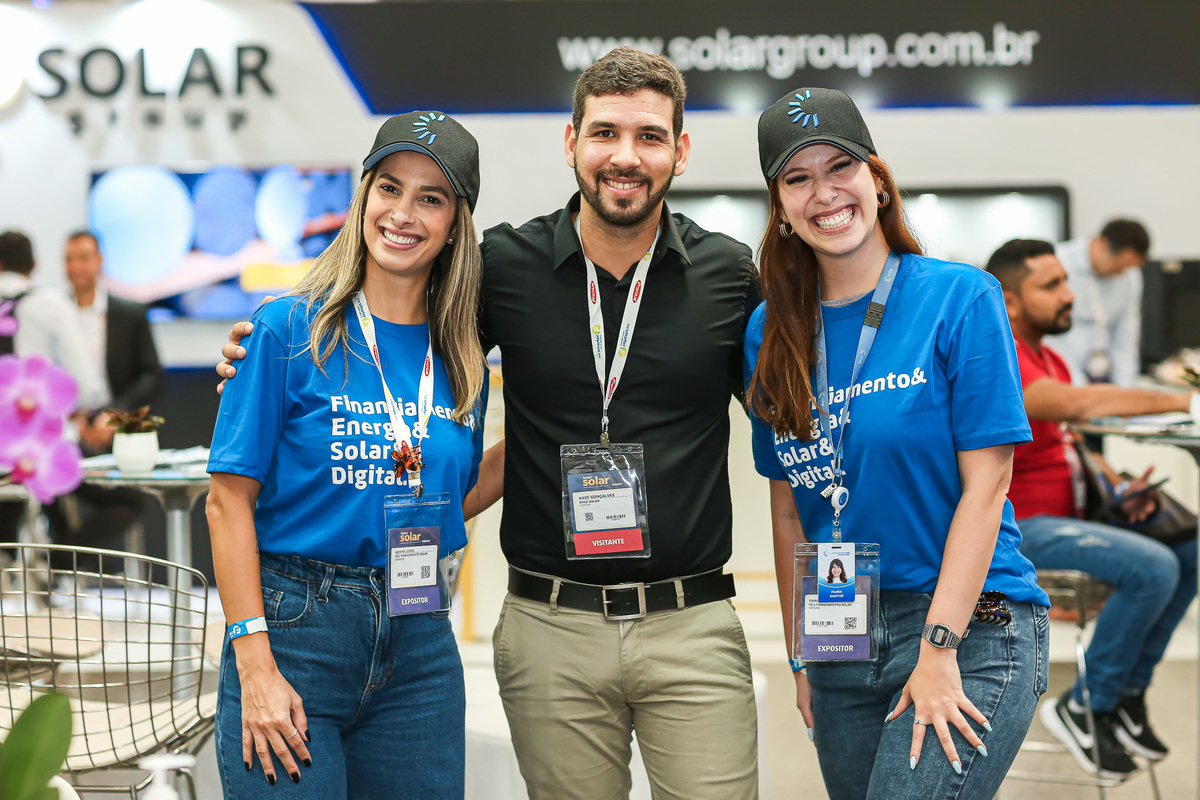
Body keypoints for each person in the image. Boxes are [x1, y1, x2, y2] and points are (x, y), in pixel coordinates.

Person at [220, 48, 762, 800]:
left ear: (681, 149)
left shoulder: (730, 274)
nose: (625, 156)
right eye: (605, 132)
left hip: (686, 617)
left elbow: (797, 413)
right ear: (571, 142)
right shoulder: (504, 266)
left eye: (649, 136)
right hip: (545, 625)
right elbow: (379, 323)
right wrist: (257, 350)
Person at [745, 87, 1049, 800]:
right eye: (798, 178)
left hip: (971, 623)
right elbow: (791, 509)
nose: (824, 192)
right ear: (782, 209)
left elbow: (988, 487)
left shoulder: (960, 298)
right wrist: (799, 659)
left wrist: (938, 647)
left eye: (839, 166)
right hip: (839, 629)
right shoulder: (770, 331)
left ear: (877, 181)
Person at [205, 111, 501, 799]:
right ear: (363, 196)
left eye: (431, 198)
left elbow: (447, 496)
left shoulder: (461, 359)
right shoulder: (285, 329)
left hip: (420, 639)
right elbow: (226, 503)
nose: (403, 213)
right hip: (294, 628)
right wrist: (254, 663)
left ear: (456, 223)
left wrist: (549, 433)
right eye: (389, 188)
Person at [986, 237, 1198, 779]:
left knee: (1189, 546)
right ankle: (1083, 705)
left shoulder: (1049, 354)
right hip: (1017, 529)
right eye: (1051, 285)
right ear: (1010, 300)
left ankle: (1123, 695)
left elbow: (1068, 439)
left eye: (1066, 281)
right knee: (1153, 566)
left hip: (1068, 520)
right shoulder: (999, 351)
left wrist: (1116, 488)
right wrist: (1187, 400)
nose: (1070, 295)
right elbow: (1075, 404)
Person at [45, 231, 165, 559]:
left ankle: (55, 560)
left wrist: (116, 414)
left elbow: (151, 376)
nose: (75, 267)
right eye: (69, 259)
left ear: (99, 261)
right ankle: (54, 564)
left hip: (118, 429)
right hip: (66, 431)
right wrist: (73, 417)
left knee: (130, 501)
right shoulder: (51, 315)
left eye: (83, 258)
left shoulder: (129, 314)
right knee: (45, 485)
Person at [0, 230, 105, 542]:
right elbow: (86, 388)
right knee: (122, 499)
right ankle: (58, 560)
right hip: (41, 451)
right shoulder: (50, 305)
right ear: (34, 264)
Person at [1043, 219, 1150, 386]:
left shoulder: (1130, 274)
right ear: (1102, 244)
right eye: (1117, 266)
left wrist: (1124, 389)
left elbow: (1127, 334)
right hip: (1063, 374)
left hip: (1103, 375)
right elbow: (1048, 333)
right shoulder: (1057, 261)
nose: (1120, 274)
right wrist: (1079, 388)